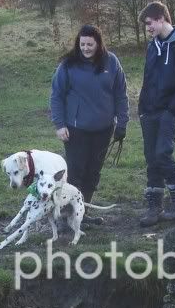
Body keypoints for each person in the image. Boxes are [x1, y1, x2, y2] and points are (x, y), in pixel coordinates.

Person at [50, 24, 129, 225]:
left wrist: (122, 122)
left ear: (98, 44)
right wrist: (59, 124)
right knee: (76, 172)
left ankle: (82, 213)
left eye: (90, 44)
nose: (86, 48)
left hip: (104, 129)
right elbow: (57, 96)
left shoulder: (111, 62)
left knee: (93, 172)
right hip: (76, 129)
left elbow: (121, 94)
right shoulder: (68, 65)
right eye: (82, 44)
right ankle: (67, 215)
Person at [137, 1, 175, 226]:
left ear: (162, 19)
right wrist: (142, 108)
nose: (148, 28)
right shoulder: (153, 46)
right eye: (146, 25)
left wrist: (174, 107)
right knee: (151, 158)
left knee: (163, 153)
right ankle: (154, 206)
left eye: (150, 23)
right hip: (149, 111)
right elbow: (148, 78)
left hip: (170, 110)